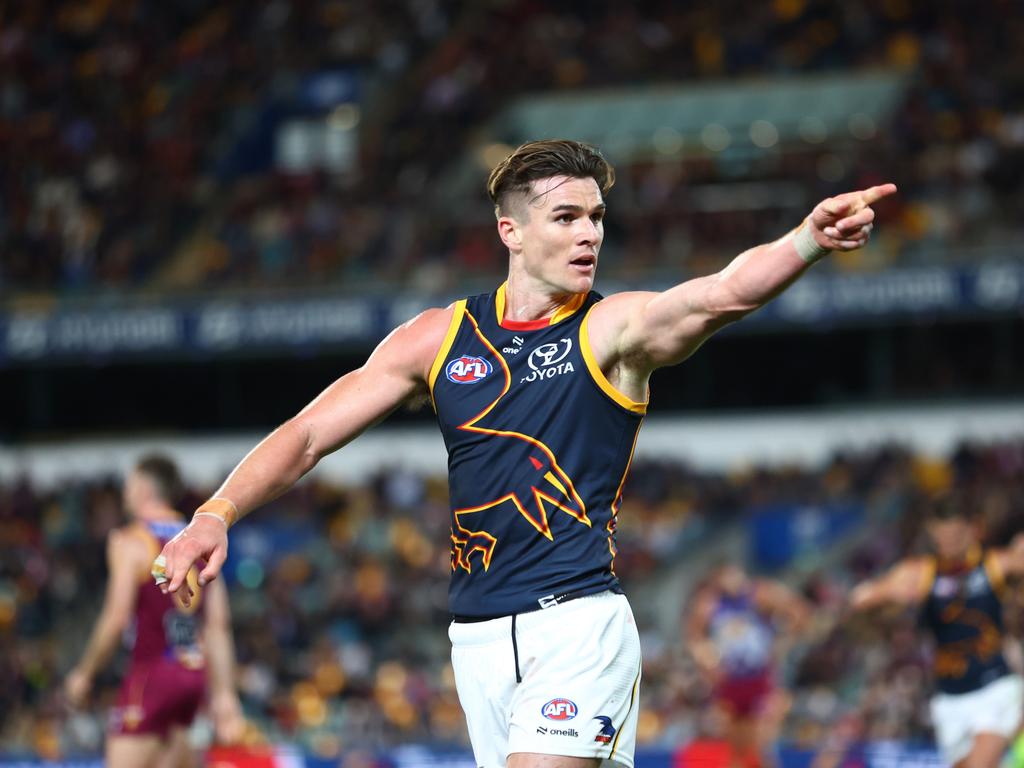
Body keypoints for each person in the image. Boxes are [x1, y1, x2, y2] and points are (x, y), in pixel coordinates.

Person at [156, 139, 894, 768]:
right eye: (566, 218)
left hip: (576, 625)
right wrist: (217, 512)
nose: (589, 236)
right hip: (474, 638)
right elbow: (310, 432)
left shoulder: (611, 330)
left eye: (597, 218)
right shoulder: (439, 337)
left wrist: (807, 241)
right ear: (510, 230)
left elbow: (718, 295)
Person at [65, 455, 244, 768]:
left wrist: (85, 673)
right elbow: (218, 626)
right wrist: (225, 694)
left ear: (143, 489)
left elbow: (117, 616)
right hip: (192, 676)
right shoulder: (201, 542)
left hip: (151, 673)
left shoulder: (130, 540)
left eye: (128, 486)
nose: (125, 494)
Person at [848, 492, 1024, 768]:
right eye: (943, 536)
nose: (949, 543)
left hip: (995, 686)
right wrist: (885, 594)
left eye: (956, 535)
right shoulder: (920, 573)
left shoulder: (995, 565)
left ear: (972, 529)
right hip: (949, 697)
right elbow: (860, 599)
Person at [685, 563, 811, 768]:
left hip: (759, 678)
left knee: (762, 743)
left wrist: (784, 639)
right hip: (730, 681)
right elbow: (694, 635)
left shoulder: (759, 594)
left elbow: (797, 609)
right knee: (736, 748)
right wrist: (704, 657)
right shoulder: (710, 602)